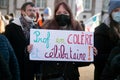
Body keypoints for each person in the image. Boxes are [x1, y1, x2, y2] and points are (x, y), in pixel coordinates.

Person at [28, 1, 97, 80]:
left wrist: (89, 53)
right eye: (59, 12)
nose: (62, 14)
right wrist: (30, 51)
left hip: (70, 76)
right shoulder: (46, 29)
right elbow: (38, 60)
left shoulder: (77, 29)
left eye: (65, 12)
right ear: (55, 14)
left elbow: (82, 61)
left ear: (69, 14)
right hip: (49, 76)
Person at [4, 2, 38, 80]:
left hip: (30, 70)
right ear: (23, 12)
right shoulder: (11, 27)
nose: (32, 13)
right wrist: (24, 50)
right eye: (29, 10)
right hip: (16, 67)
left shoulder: (35, 28)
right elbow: (8, 48)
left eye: (33, 10)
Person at [94, 0, 120, 80]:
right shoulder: (101, 30)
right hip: (105, 75)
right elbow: (97, 58)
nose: (119, 13)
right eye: (116, 10)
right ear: (111, 12)